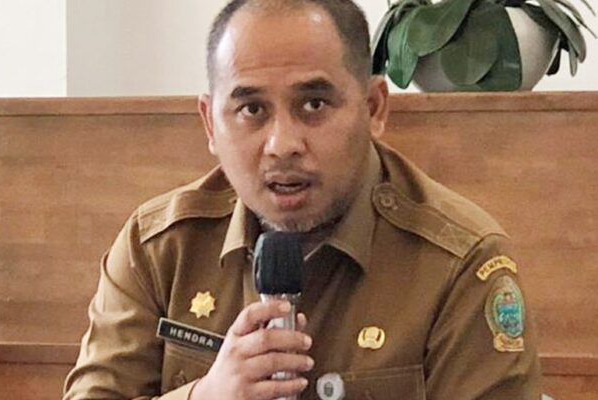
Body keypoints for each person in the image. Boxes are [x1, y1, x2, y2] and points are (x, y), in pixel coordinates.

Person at [63, 0, 541, 399]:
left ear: (373, 108)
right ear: (210, 123)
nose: (282, 145)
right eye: (252, 109)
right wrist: (206, 395)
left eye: (314, 105)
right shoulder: (158, 247)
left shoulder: (459, 262)